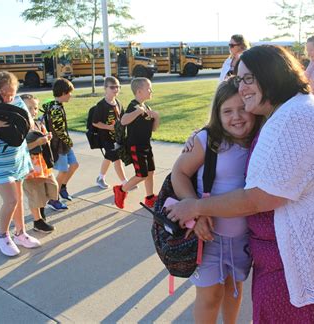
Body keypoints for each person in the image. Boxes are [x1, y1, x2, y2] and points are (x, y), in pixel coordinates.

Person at [168, 45, 314, 323]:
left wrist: (195, 206)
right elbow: (222, 130)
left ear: (270, 75)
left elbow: (258, 199)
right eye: (237, 78)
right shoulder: (287, 111)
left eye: (247, 78)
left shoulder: (292, 119)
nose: (241, 86)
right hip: (301, 249)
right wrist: (202, 133)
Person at [171, 79, 258, 324]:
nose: (237, 117)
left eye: (242, 108)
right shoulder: (207, 140)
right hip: (208, 236)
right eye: (227, 111)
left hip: (243, 237)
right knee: (210, 296)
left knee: (234, 289)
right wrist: (194, 213)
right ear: (217, 115)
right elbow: (179, 173)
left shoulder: (260, 139)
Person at [0, 71, 41, 256]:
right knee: (10, 200)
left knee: (18, 198)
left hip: (17, 158)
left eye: (11, 92)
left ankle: (21, 233)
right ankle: (2, 236)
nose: (8, 96)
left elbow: (29, 123)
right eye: (4, 92)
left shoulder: (17, 101)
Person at [112, 77, 160, 209]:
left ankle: (150, 197)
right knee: (141, 174)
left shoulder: (146, 106)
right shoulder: (133, 105)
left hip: (146, 145)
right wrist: (137, 111)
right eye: (148, 88)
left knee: (150, 171)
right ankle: (121, 190)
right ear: (139, 91)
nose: (151, 91)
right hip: (135, 146)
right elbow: (123, 121)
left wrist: (156, 117)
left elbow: (153, 128)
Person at [21, 94, 56, 233]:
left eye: (35, 108)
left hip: (42, 163)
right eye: (29, 108)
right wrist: (37, 142)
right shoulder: (21, 127)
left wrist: (47, 138)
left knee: (50, 189)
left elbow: (44, 141)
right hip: (29, 166)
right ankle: (38, 221)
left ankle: (41, 212)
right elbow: (21, 149)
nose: (33, 111)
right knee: (34, 193)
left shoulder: (38, 123)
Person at [42, 78, 78, 211]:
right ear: (63, 93)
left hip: (64, 144)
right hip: (59, 145)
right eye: (69, 93)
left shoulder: (55, 105)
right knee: (62, 171)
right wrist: (69, 141)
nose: (71, 95)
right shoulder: (55, 109)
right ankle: (53, 198)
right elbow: (58, 130)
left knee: (74, 165)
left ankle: (62, 187)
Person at [92, 76, 128, 189]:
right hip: (106, 138)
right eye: (112, 87)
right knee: (116, 159)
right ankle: (125, 182)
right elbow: (95, 123)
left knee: (108, 157)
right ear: (105, 88)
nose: (116, 89)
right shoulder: (101, 105)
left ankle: (100, 178)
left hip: (117, 137)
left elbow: (123, 118)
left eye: (118, 87)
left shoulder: (118, 103)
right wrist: (109, 127)